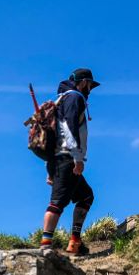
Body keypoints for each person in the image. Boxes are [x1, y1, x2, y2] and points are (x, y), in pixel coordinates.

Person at [39, 68, 100, 255]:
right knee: (57, 202)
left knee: (86, 196)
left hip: (57, 158)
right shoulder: (75, 98)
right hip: (68, 158)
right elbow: (69, 127)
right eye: (90, 84)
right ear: (83, 82)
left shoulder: (61, 99)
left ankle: (75, 242)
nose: (90, 89)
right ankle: (45, 245)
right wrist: (78, 159)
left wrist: (49, 169)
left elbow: (53, 135)